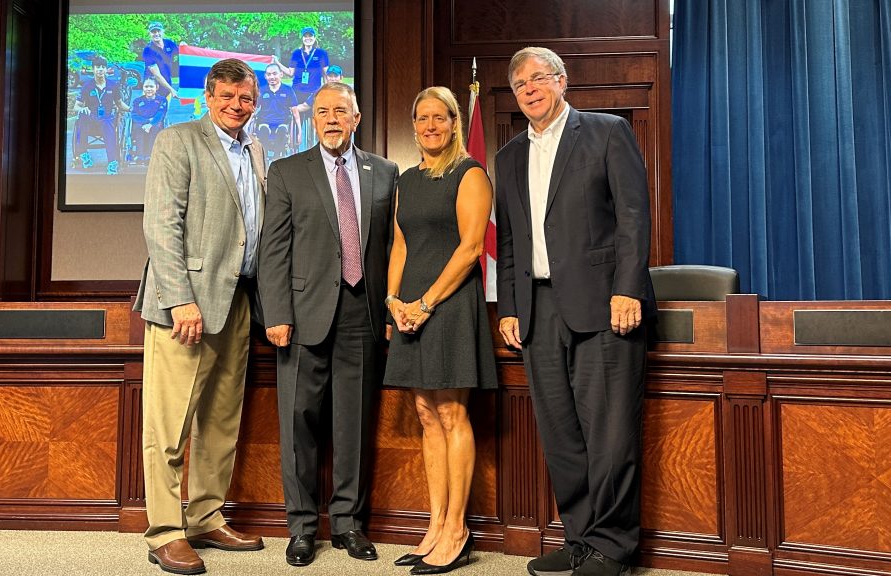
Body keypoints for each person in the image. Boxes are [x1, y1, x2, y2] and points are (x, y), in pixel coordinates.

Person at [495, 46, 655, 576]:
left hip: (606, 306)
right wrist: (512, 305)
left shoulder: (607, 131)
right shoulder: (510, 154)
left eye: (539, 79)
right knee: (561, 434)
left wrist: (628, 288)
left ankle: (612, 547)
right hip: (538, 311)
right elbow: (513, 240)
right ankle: (581, 538)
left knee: (609, 434)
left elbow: (633, 216)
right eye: (520, 85)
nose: (530, 89)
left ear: (563, 81)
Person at [134, 58, 267, 576]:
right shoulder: (179, 139)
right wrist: (179, 299)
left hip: (237, 300)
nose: (238, 106)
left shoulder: (255, 147)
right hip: (185, 304)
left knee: (219, 421)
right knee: (169, 426)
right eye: (228, 97)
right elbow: (161, 225)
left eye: (247, 98)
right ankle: (166, 532)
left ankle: (207, 515)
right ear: (208, 98)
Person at [258, 81, 398, 568]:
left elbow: (388, 248)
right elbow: (273, 250)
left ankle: (348, 524)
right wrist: (275, 313)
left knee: (353, 425)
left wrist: (390, 309)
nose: (332, 119)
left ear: (356, 118)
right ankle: (301, 527)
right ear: (312, 120)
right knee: (299, 423)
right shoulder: (287, 171)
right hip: (300, 317)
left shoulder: (384, 171)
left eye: (341, 111)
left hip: (363, 314)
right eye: (323, 112)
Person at [384, 86, 497, 575]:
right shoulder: (407, 179)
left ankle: (457, 530)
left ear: (454, 121)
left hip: (448, 306)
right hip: (409, 309)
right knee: (427, 415)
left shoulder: (469, 174)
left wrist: (426, 303)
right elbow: (400, 247)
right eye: (422, 117)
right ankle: (434, 526)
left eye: (439, 117)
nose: (430, 125)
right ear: (414, 125)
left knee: (451, 414)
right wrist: (394, 303)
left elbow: (472, 248)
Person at [71, 55, 130, 175]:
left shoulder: (113, 85)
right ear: (93, 69)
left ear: (106, 69)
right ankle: (84, 154)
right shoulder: (87, 86)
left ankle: (113, 162)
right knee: (82, 116)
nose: (100, 69)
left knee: (109, 123)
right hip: (91, 118)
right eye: (98, 67)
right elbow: (76, 106)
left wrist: (131, 109)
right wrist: (82, 109)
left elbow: (119, 104)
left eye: (103, 67)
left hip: (106, 119)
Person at [254, 63, 301, 161]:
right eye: (269, 74)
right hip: (264, 122)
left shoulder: (288, 90)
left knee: (282, 131)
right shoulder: (261, 90)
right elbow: (253, 110)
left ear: (281, 74)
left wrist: (299, 132)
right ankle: (265, 157)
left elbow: (295, 113)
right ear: (265, 76)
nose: (272, 77)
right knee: (263, 130)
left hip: (282, 122)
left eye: (274, 74)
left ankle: (277, 157)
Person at [272, 26, 330, 104]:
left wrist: (327, 91)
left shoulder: (322, 53)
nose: (308, 38)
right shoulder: (296, 53)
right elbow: (290, 73)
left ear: (314, 38)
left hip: (314, 92)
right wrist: (277, 63)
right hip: (297, 91)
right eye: (305, 36)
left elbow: (326, 74)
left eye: (310, 36)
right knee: (297, 114)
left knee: (313, 115)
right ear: (302, 38)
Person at [130, 78, 168, 165]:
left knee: (155, 127)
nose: (149, 89)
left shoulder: (162, 100)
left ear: (156, 87)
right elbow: (134, 115)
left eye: (151, 86)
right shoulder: (137, 101)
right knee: (138, 128)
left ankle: (150, 156)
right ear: (143, 88)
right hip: (141, 124)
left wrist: (150, 124)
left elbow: (160, 114)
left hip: (155, 123)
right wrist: (146, 122)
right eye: (146, 86)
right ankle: (139, 155)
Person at [142, 22, 180, 101]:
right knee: (149, 112)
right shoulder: (148, 50)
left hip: (167, 86)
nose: (156, 34)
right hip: (152, 87)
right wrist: (172, 90)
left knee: (164, 112)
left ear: (162, 32)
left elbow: (183, 52)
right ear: (149, 34)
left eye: (158, 31)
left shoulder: (169, 43)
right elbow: (157, 75)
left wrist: (184, 47)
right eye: (153, 32)